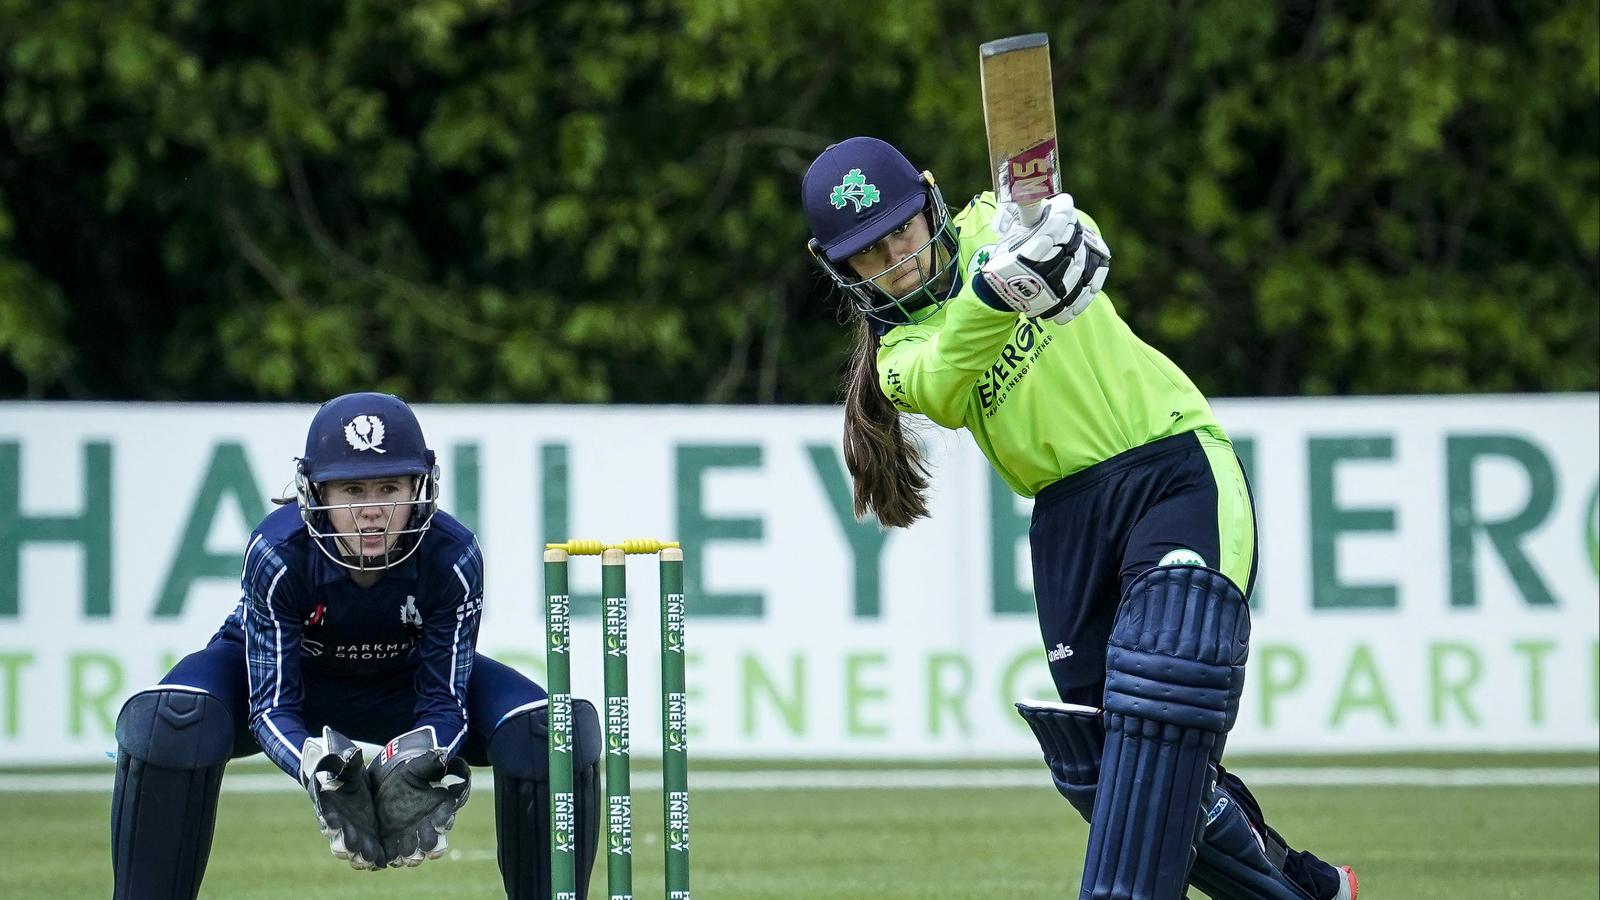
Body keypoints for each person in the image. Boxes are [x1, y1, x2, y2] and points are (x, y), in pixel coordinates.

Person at [802, 136, 1360, 900]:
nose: (896, 256)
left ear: (930, 204)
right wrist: (1003, 290)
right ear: (841, 269)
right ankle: (1307, 891)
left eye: (901, 227)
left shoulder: (996, 223)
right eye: (869, 252)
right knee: (1103, 769)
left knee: (1168, 676)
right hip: (1068, 521)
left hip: (1170, 465)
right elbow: (945, 372)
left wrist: (1057, 233)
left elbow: (1061, 232)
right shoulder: (901, 359)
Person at [108, 392, 601, 899]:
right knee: (170, 722)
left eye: (389, 487)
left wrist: (423, 759)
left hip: (404, 684)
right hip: (292, 677)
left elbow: (445, 700)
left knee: (554, 733)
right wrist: (315, 765)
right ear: (314, 493)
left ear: (420, 489)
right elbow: (270, 705)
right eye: (351, 490)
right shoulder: (277, 554)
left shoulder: (453, 556)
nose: (371, 512)